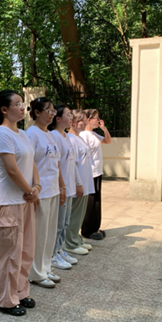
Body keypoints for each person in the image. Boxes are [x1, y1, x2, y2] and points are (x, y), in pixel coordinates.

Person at [0, 90, 40, 316]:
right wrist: (29, 190)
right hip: (7, 202)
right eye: (17, 104)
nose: (23, 107)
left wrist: (36, 186)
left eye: (23, 103)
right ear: (4, 109)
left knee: (25, 249)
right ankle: (6, 300)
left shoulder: (22, 133)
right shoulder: (2, 134)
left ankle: (20, 292)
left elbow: (32, 162)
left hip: (25, 199)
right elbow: (11, 169)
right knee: (9, 253)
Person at [25, 97, 64, 289]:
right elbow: (28, 164)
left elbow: (56, 163)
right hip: (41, 191)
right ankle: (35, 273)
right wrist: (32, 189)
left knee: (49, 233)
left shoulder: (50, 134)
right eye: (48, 110)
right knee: (39, 234)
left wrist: (61, 186)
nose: (51, 114)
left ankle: (46, 268)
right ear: (37, 112)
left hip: (53, 189)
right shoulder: (31, 134)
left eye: (53, 111)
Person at [49, 105, 84, 270]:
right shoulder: (54, 136)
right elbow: (55, 164)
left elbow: (73, 163)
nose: (71, 118)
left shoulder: (66, 136)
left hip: (69, 186)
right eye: (68, 115)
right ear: (58, 118)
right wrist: (61, 185)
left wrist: (78, 182)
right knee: (58, 223)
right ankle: (52, 254)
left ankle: (59, 249)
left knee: (65, 222)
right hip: (61, 187)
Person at [65, 110, 95, 254]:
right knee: (75, 213)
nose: (85, 123)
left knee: (80, 213)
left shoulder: (79, 138)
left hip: (85, 181)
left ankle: (77, 239)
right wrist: (78, 183)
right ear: (73, 122)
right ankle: (71, 242)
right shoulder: (70, 139)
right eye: (82, 120)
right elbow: (72, 164)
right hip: (78, 182)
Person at [80, 108, 112, 240]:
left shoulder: (93, 134)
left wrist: (104, 129)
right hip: (90, 173)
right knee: (90, 202)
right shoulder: (83, 135)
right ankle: (87, 230)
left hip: (97, 172)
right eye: (96, 118)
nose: (98, 120)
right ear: (88, 120)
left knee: (96, 201)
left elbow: (107, 141)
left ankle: (95, 227)